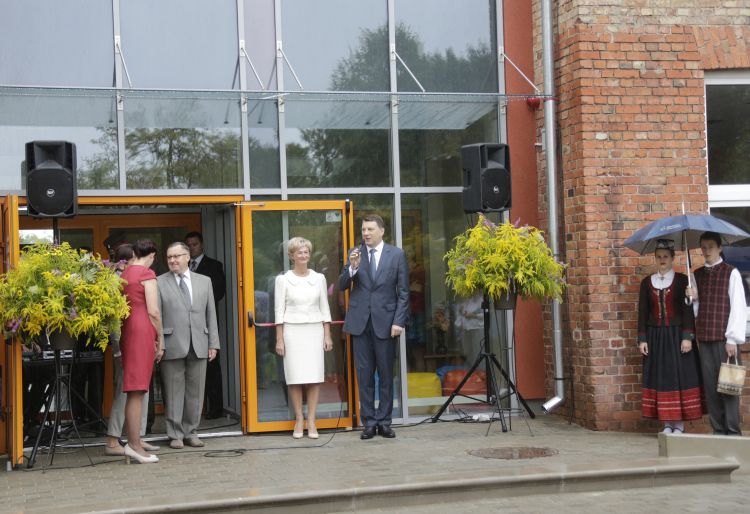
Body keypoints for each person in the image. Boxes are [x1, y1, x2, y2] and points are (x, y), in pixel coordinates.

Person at [339, 214, 409, 440]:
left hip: (387, 324)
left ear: (381, 231)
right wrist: (352, 268)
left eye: (370, 229)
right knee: (364, 375)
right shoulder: (355, 253)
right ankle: (369, 422)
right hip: (360, 323)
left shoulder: (396, 254)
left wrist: (398, 321)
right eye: (363, 230)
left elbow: (403, 292)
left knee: (386, 374)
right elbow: (341, 285)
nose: (366, 233)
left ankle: (385, 422)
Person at [157, 242, 221, 449]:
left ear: (187, 257)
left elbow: (211, 313)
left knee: (196, 392)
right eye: (169, 257)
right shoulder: (159, 282)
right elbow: (156, 316)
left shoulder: (204, 281)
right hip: (171, 343)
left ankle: (191, 431)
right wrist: (159, 343)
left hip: (199, 342)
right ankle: (175, 434)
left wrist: (213, 343)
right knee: (173, 391)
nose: (172, 260)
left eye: (176, 256)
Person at [637, 239, 703, 434]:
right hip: (655, 337)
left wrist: (687, 336)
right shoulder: (647, 283)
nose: (662, 260)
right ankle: (667, 423)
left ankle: (679, 425)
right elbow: (642, 312)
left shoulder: (683, 280)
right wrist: (642, 339)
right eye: (659, 257)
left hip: (677, 336)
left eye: (666, 256)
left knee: (678, 378)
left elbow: (687, 311)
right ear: (655, 258)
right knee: (662, 378)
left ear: (672, 257)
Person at [686, 231, 747, 436]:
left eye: (711, 246)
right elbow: (697, 311)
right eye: (703, 247)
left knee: (728, 387)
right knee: (711, 388)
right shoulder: (697, 275)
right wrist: (693, 298)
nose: (707, 251)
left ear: (720, 248)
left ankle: (733, 432)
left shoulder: (731, 273)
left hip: (725, 340)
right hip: (705, 338)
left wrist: (732, 339)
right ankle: (718, 432)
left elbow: (738, 306)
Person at [274, 237, 334, 439]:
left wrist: (327, 335)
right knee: (295, 378)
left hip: (314, 331)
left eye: (306, 251)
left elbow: (325, 308)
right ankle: (299, 419)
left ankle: (312, 421)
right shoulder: (283, 280)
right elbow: (278, 312)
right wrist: (279, 339)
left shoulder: (319, 278)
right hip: (292, 332)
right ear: (291, 256)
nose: (303, 255)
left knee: (314, 377)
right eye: (299, 252)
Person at [104, 244, 160, 456]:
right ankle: (115, 439)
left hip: (137, 335)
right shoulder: (126, 277)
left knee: (140, 390)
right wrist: (117, 348)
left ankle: (136, 437)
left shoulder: (127, 276)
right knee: (127, 391)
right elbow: (114, 318)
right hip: (131, 338)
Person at [118, 239, 163, 464]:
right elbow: (153, 311)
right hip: (142, 330)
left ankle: (133, 444)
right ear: (152, 255)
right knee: (137, 390)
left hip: (128, 330)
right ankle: (134, 445)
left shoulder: (125, 273)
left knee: (134, 390)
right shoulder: (147, 274)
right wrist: (161, 338)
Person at [185, 231, 226, 419]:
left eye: (194, 244)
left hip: (206, 322)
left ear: (201, 245)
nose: (191, 248)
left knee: (211, 365)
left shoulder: (214, 266)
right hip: (184, 323)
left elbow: (219, 292)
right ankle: (190, 410)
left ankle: (215, 408)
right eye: (188, 245)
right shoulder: (182, 266)